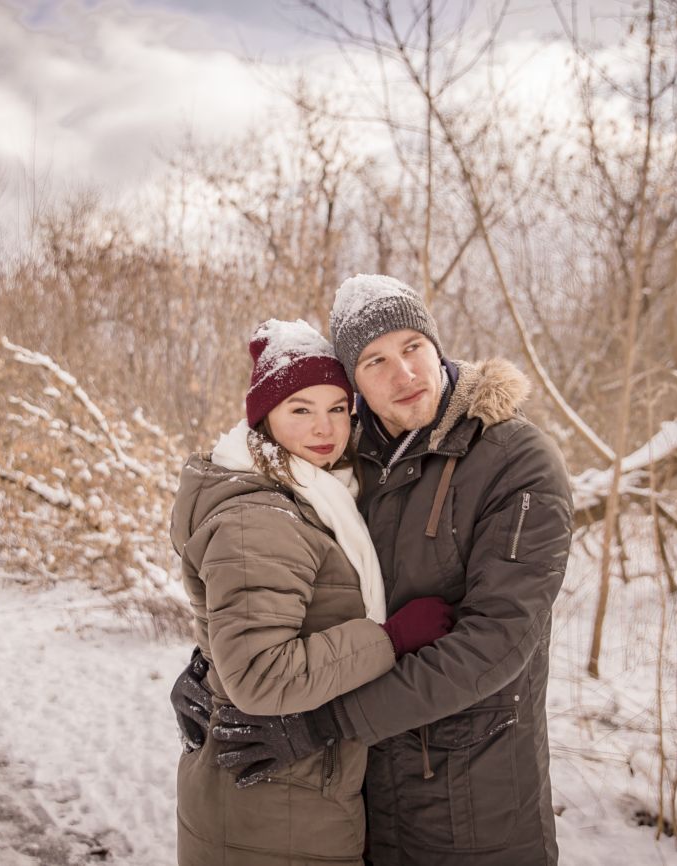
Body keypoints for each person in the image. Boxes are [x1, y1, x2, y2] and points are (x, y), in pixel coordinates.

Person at [173, 276, 573, 866]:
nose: (404, 374)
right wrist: (212, 668)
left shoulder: (514, 460)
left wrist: (324, 723)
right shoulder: (343, 456)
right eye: (375, 361)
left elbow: (496, 644)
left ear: (436, 346)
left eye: (413, 347)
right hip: (361, 799)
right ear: (354, 382)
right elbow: (286, 583)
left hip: (469, 800)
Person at [170, 318, 455, 866]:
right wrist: (390, 639)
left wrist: (206, 662)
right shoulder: (261, 518)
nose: (324, 428)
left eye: (337, 408)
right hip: (269, 805)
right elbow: (260, 675)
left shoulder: (313, 492)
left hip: (286, 796)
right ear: (264, 417)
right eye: (300, 409)